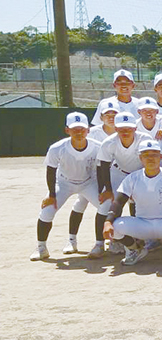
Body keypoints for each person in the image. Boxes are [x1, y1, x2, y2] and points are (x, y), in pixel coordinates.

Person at [30, 112, 109, 261]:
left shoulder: (98, 147)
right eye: (74, 129)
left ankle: (99, 244)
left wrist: (101, 192)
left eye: (82, 129)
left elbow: (100, 171)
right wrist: (51, 195)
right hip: (64, 183)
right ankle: (42, 248)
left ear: (88, 130)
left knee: (106, 207)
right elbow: (51, 171)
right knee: (47, 210)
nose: (79, 132)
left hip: (88, 182)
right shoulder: (57, 148)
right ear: (67, 130)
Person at [103, 140, 162, 265]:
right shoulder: (132, 178)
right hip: (142, 224)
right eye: (146, 155)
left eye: (154, 154)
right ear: (140, 158)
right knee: (116, 226)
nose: (150, 158)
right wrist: (108, 221)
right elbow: (119, 202)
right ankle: (135, 250)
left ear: (161, 157)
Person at [97, 112, 146, 255]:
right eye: (122, 128)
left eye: (129, 128)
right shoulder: (109, 142)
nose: (125, 131)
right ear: (116, 128)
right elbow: (103, 166)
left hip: (138, 174)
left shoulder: (144, 139)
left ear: (135, 128)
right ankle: (102, 242)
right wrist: (106, 189)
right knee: (108, 205)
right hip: (118, 173)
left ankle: (140, 238)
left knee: (140, 203)